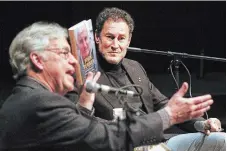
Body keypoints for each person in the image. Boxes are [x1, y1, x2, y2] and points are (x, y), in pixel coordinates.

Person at [0, 21, 213, 151]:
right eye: (65, 53)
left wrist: (195, 121)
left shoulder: (29, 98)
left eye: (122, 38)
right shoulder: (40, 102)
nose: (73, 61)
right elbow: (103, 137)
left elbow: (75, 137)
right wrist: (169, 116)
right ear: (37, 60)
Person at [67, 7, 225, 151]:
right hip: (125, 145)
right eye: (110, 37)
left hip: (159, 143)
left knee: (222, 140)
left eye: (121, 38)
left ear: (129, 41)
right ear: (96, 37)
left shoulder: (135, 67)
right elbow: (81, 126)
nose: (115, 45)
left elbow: (163, 105)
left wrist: (202, 124)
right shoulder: (82, 76)